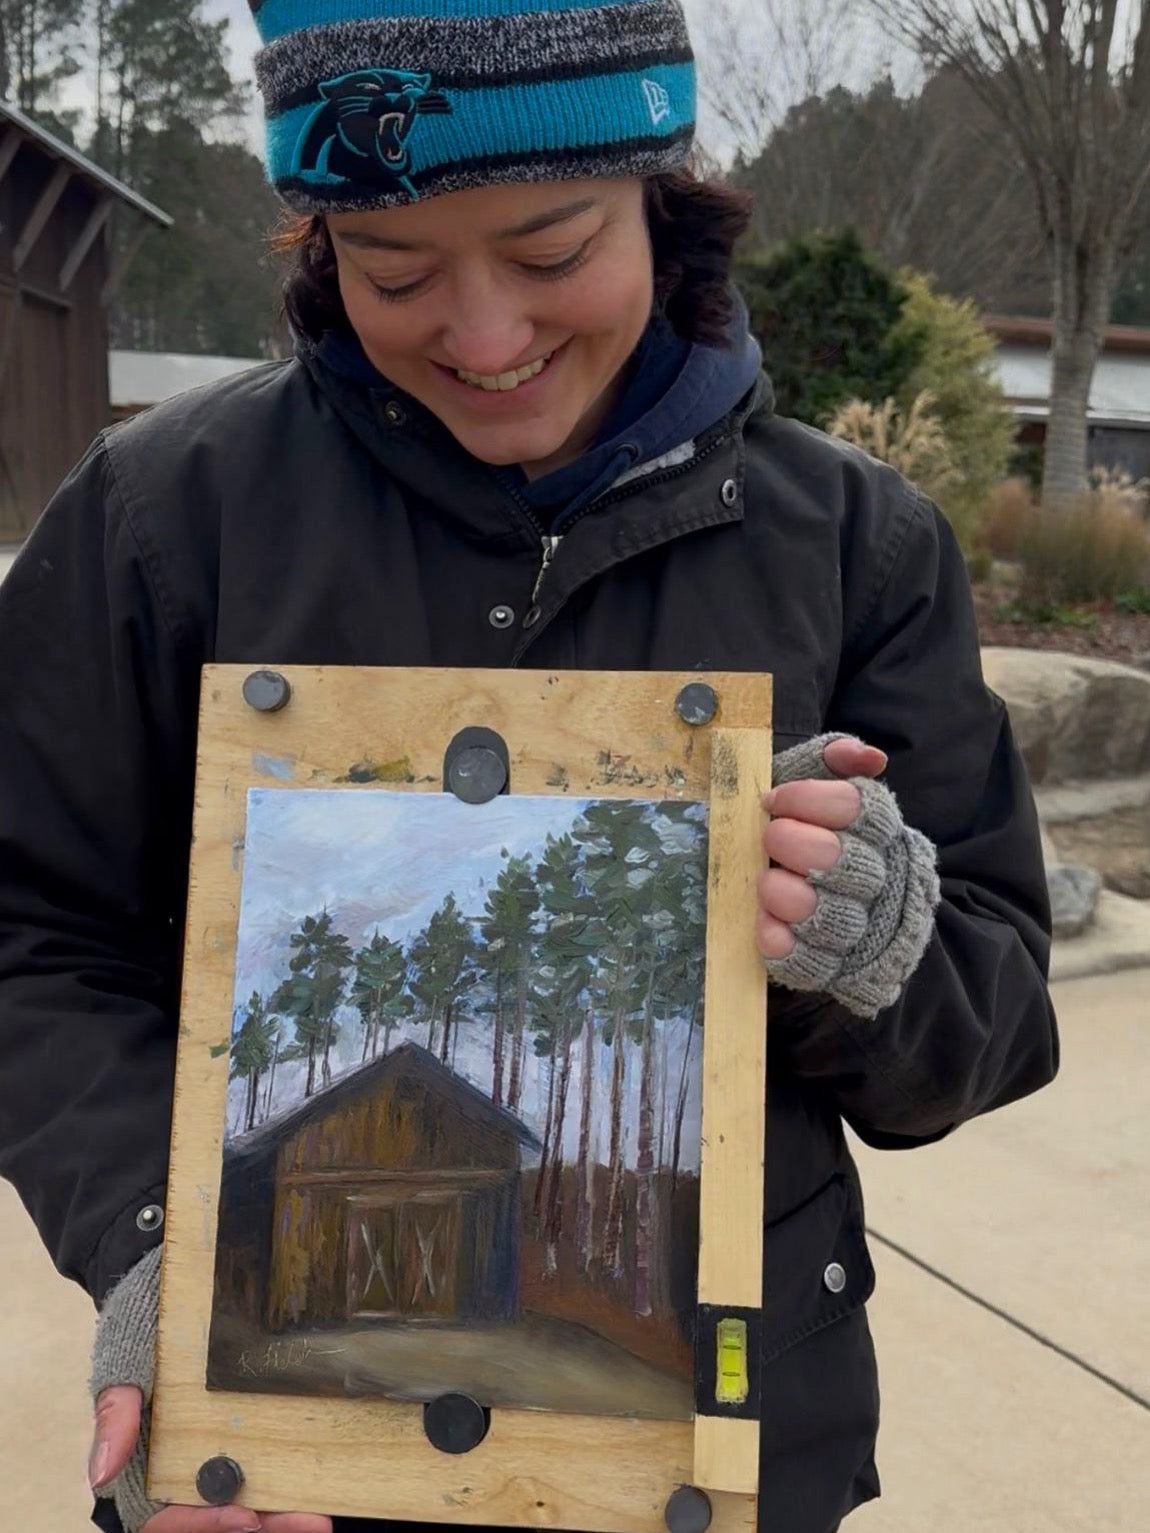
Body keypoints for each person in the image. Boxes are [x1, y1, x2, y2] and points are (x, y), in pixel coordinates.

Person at [0, 1, 1058, 1531]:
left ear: (663, 201)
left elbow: (998, 1005)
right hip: (293, 1471)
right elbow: (28, 933)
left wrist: (870, 949)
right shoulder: (167, 520)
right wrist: (162, 1245)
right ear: (316, 248)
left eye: (555, 252)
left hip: (726, 1452)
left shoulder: (850, 543)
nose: (485, 338)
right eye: (394, 271)